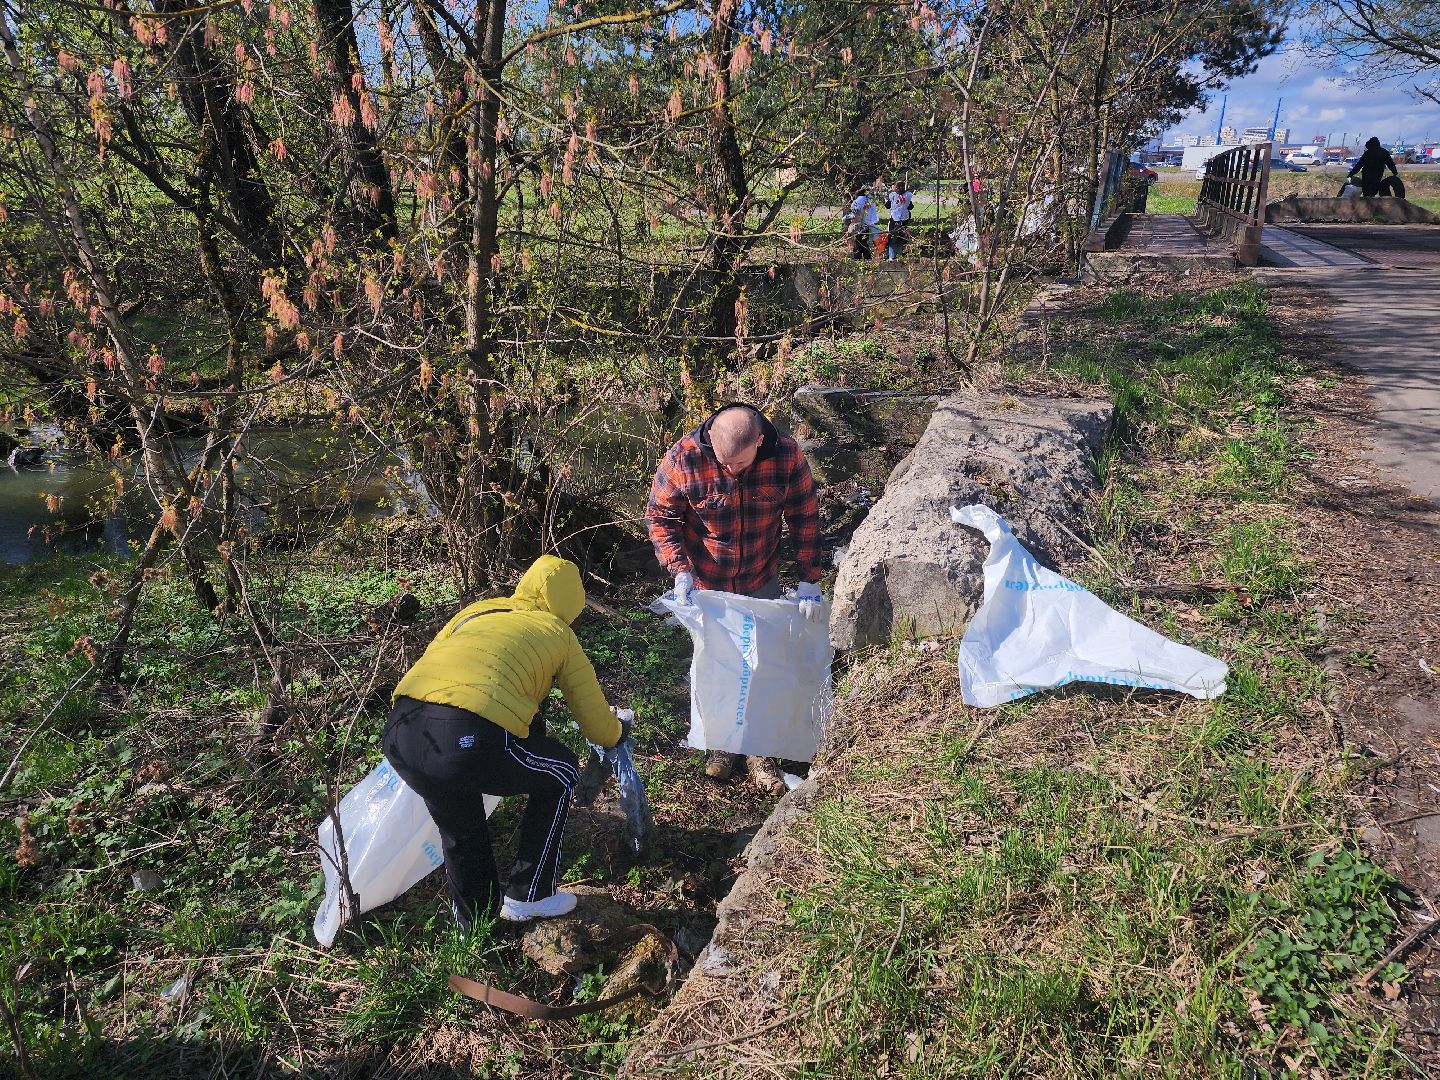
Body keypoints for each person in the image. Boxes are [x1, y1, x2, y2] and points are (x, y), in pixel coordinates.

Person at [383, 555, 628, 927]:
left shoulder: (478, 612)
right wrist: (619, 731)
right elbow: (597, 726)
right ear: (572, 603)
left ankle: (474, 929)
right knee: (561, 770)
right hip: (466, 734)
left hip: (403, 730)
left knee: (461, 828)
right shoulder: (558, 632)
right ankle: (530, 895)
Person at [646, 403, 824, 794]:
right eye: (723, 463)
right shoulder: (685, 457)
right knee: (717, 662)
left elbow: (804, 515)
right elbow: (659, 517)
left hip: (760, 577)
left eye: (739, 464)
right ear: (711, 439)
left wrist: (810, 578)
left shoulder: (787, 456)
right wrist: (679, 570)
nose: (729, 471)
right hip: (708, 586)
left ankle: (758, 751)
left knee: (760, 662)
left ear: (760, 443)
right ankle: (724, 745)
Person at [885, 181, 913, 260]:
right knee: (901, 237)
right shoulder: (907, 196)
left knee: (892, 237)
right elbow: (911, 207)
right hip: (904, 219)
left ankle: (892, 257)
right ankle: (899, 256)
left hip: (894, 220)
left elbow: (887, 206)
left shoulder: (893, 196)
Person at [846, 187, 874, 259]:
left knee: (858, 242)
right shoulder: (869, 200)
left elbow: (854, 214)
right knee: (864, 241)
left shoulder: (856, 202)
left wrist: (845, 218)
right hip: (867, 224)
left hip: (858, 225)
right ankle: (867, 258)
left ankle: (857, 258)